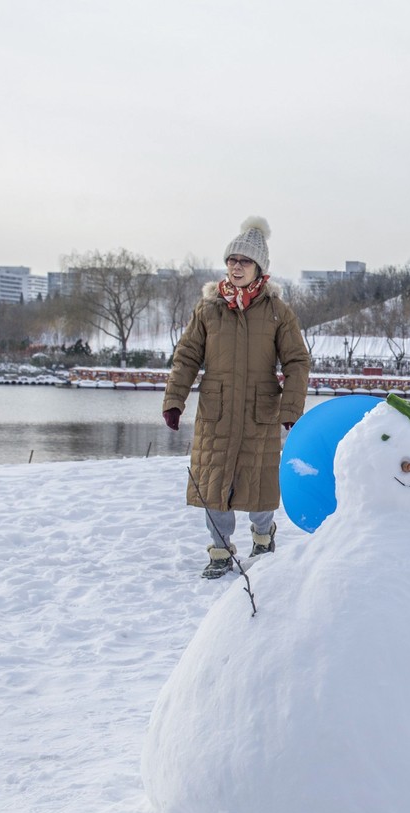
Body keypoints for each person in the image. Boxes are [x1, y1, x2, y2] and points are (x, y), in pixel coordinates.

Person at [162, 217, 311, 579]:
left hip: (260, 412)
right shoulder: (209, 309)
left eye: (244, 261)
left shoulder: (277, 311)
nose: (236, 267)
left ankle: (263, 537)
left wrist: (291, 408)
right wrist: (174, 399)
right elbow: (186, 357)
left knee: (259, 485)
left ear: (259, 267)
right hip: (218, 410)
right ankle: (220, 551)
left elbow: (297, 360)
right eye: (232, 260)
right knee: (214, 486)